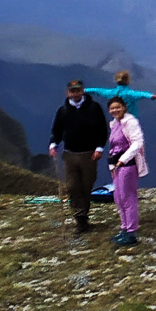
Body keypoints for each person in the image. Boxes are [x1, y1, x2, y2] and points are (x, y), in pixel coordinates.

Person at [49, 80, 108, 235]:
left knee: (86, 186)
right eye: (72, 91)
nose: (75, 94)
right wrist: (53, 143)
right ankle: (80, 218)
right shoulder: (63, 111)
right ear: (68, 93)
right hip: (69, 154)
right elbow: (57, 130)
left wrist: (100, 147)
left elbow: (102, 129)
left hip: (89, 154)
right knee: (72, 186)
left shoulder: (94, 108)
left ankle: (84, 214)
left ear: (82, 91)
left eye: (78, 90)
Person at [105, 97, 148, 246]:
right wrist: (112, 165)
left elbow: (137, 142)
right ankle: (124, 228)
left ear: (124, 107)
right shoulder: (115, 124)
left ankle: (131, 233)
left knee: (128, 197)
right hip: (117, 165)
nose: (115, 110)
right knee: (118, 197)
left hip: (128, 164)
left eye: (118, 107)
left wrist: (123, 159)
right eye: (112, 108)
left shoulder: (131, 122)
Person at [83, 70, 156, 113]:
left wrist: (83, 90)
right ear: (128, 80)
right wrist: (150, 96)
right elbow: (140, 94)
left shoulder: (111, 93)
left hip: (117, 120)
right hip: (130, 121)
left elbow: (97, 91)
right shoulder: (130, 94)